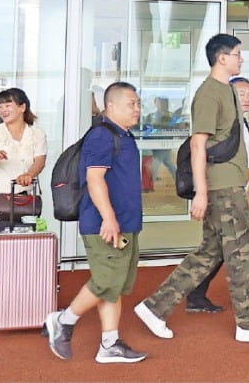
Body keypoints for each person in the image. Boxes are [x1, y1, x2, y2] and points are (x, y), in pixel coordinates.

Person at [133, 33, 249, 344]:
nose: (241, 59)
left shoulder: (225, 92)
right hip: (222, 188)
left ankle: (154, 308)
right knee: (241, 255)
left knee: (208, 254)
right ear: (222, 58)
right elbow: (198, 145)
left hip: (229, 184)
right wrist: (201, 193)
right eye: (237, 54)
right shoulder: (208, 95)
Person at [44, 82, 148, 363]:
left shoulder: (123, 135)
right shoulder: (102, 135)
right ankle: (64, 321)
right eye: (131, 103)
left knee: (114, 285)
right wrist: (109, 218)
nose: (137, 108)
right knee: (106, 280)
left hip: (125, 223)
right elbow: (94, 178)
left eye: (138, 103)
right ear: (110, 106)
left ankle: (109, 344)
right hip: (105, 224)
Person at [186, 77, 249, 315]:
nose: (246, 99)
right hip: (224, 195)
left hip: (233, 192)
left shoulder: (240, 123)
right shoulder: (228, 124)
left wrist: (246, 173)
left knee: (220, 249)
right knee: (238, 250)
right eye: (241, 94)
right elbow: (213, 156)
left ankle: (195, 295)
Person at [0, 88, 47, 238]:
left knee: (25, 249)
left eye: (8, 105)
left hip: (25, 202)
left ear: (22, 107)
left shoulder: (37, 134)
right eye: (0, 106)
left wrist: (29, 174)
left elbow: (40, 161)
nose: (3, 110)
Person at [145, 97, 178, 180]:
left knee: (158, 160)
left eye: (164, 103)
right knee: (168, 162)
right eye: (159, 102)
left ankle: (152, 179)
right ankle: (177, 178)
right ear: (155, 103)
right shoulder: (150, 116)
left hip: (165, 142)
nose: (162, 105)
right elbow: (147, 129)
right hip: (154, 142)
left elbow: (174, 128)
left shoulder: (172, 116)